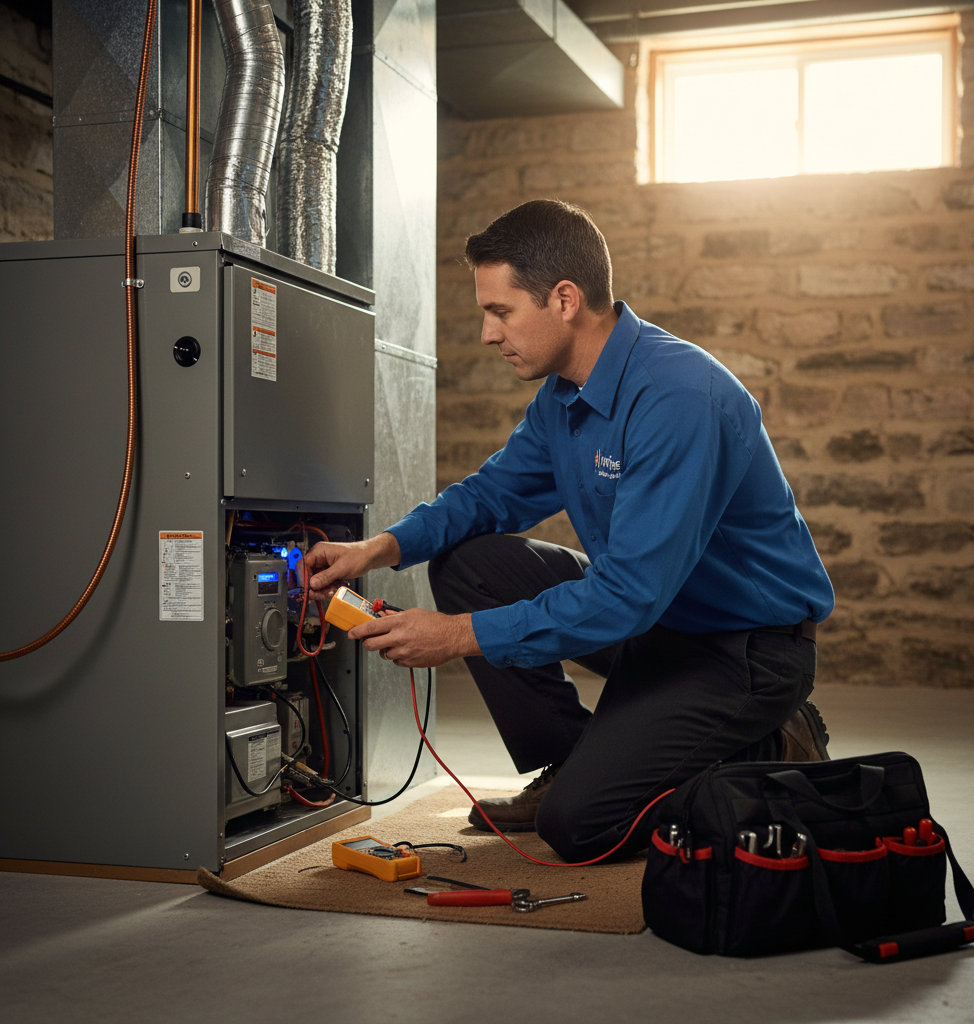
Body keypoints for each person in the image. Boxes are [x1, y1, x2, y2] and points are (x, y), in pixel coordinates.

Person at [303, 199, 835, 862]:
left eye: (500, 311)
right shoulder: (563, 397)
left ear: (564, 299)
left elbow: (628, 594)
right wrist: (376, 549)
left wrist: (457, 636)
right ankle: (575, 760)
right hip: (657, 625)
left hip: (743, 650)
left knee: (579, 826)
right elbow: (489, 496)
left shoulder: (679, 398)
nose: (488, 334)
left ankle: (768, 745)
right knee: (471, 566)